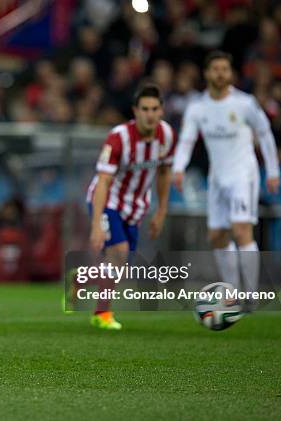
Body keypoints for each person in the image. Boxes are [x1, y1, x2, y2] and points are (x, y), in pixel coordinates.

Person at [172, 51, 280, 311]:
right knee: (216, 236)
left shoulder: (245, 103)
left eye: (225, 69)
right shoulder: (197, 107)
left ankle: (251, 297)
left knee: (242, 230)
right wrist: (178, 167)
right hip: (217, 178)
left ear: (230, 73)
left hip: (243, 174)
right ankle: (232, 292)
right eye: (215, 69)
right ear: (207, 73)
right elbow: (186, 139)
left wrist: (273, 171)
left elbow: (264, 134)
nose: (220, 74)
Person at [87, 84, 176, 330]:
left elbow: (165, 173)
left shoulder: (167, 136)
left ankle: (82, 281)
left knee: (119, 265)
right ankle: (101, 314)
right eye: (145, 109)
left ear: (161, 111)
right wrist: (96, 225)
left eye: (154, 109)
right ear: (135, 111)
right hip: (107, 200)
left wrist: (161, 211)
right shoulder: (119, 138)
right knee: (120, 251)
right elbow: (103, 182)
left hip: (136, 206)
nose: (150, 114)